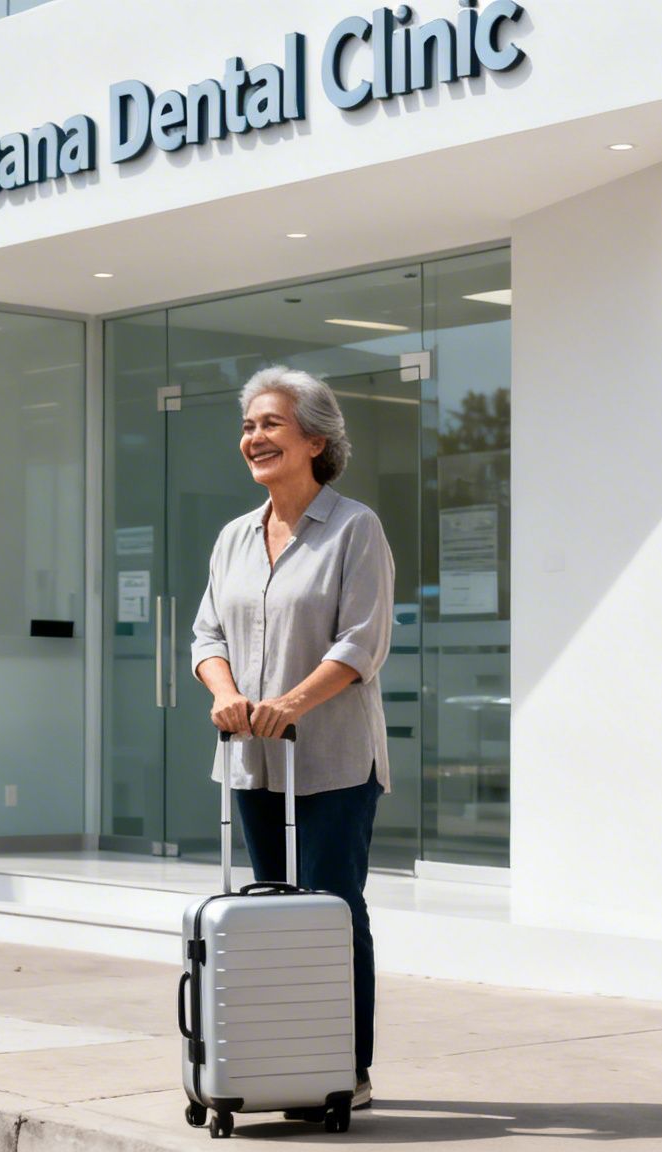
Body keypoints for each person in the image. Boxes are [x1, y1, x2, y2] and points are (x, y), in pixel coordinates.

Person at [189, 365, 395, 1110]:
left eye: (270, 423)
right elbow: (207, 633)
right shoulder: (234, 538)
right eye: (248, 426)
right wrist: (228, 694)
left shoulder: (354, 527)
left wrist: (292, 703)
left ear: (314, 438)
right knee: (270, 911)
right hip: (251, 762)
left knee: (332, 910)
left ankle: (346, 1067)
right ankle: (285, 1060)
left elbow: (361, 641)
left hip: (334, 761)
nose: (254, 437)